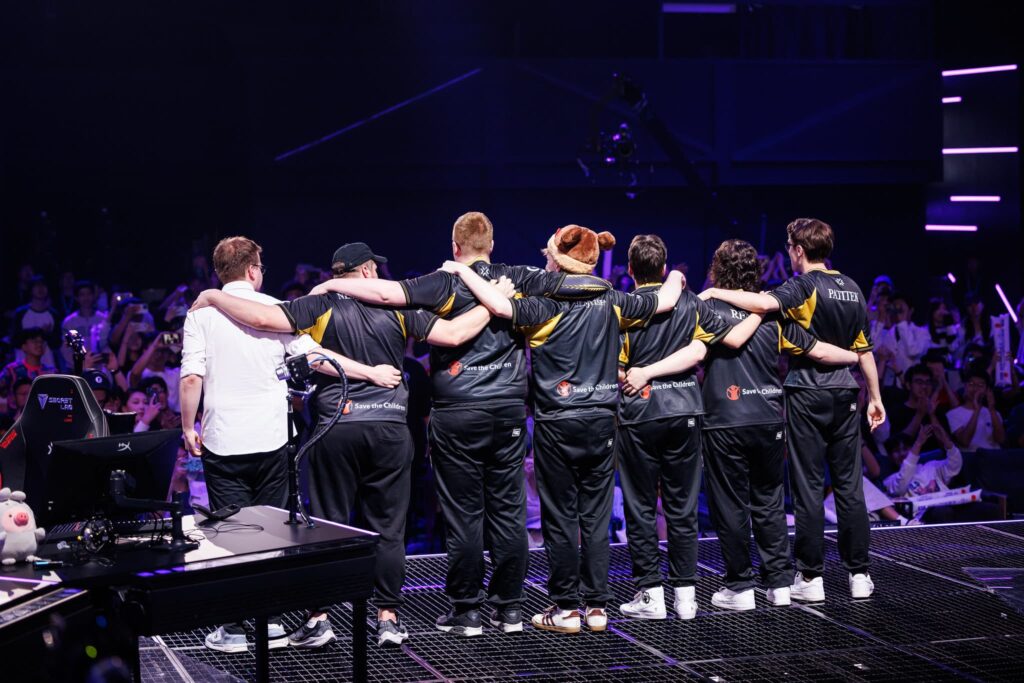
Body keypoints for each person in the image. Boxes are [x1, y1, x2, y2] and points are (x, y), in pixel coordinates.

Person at [306, 211, 610, 637]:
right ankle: (510, 611)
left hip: (456, 412)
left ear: (455, 247)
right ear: (491, 245)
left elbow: (389, 293)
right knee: (508, 513)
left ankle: (466, 612)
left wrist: (332, 283)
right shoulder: (515, 275)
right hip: (507, 411)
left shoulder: (444, 280)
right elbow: (572, 281)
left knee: (464, 514)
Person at [192, 241, 497, 648]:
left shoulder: (319, 305)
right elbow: (456, 333)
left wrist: (213, 294)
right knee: (388, 530)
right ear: (369, 272)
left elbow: (263, 319)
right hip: (390, 429)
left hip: (336, 428)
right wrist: (497, 302)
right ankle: (388, 617)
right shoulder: (398, 307)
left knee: (325, 529)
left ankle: (319, 618)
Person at [444, 225, 683, 635]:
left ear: (558, 259)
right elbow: (664, 300)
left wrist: (463, 273)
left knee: (559, 518)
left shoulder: (545, 304)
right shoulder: (612, 301)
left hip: (558, 422)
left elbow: (500, 309)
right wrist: (676, 276)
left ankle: (567, 608)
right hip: (604, 421)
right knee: (595, 517)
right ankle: (597, 607)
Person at [180, 236, 393, 655]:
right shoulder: (278, 311)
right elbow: (317, 358)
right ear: (253, 270)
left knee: (230, 534)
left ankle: (237, 626)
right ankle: (271, 621)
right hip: (274, 439)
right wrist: (370, 372)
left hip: (224, 439)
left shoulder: (200, 314)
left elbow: (191, 378)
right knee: (271, 531)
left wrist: (188, 427)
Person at [624, 239, 859, 612]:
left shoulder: (706, 306)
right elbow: (816, 350)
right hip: (769, 417)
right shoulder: (771, 313)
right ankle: (780, 584)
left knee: (731, 505)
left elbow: (690, 347)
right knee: (769, 502)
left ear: (717, 269)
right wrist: (858, 356)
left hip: (724, 420)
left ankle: (740, 587)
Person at [700, 218, 885, 602]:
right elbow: (863, 349)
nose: (788, 254)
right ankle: (859, 576)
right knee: (851, 487)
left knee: (808, 488)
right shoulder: (851, 285)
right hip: (847, 392)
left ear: (799, 250)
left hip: (806, 393)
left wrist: (713, 292)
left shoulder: (801, 286)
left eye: (789, 248)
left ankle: (811, 578)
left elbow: (769, 307)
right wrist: (875, 395)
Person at [611, 235, 764, 621]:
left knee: (642, 507)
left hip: (640, 414)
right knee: (682, 508)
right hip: (686, 412)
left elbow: (610, 365)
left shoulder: (624, 308)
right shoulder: (692, 303)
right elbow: (731, 337)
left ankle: (651, 596)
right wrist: (765, 308)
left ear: (630, 270)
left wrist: (633, 375)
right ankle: (685, 597)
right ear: (664, 269)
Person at [883, 424, 962, 498]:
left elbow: (954, 466)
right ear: (890, 457)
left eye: (905, 449)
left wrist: (946, 441)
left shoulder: (931, 467)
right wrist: (918, 444)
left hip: (947, 504)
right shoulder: (890, 481)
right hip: (924, 512)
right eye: (896, 451)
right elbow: (900, 487)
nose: (902, 454)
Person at [946, 369, 1005, 451]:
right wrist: (976, 411)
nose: (975, 388)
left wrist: (992, 409)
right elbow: (964, 442)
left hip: (994, 457)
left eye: (980, 385)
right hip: (972, 459)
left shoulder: (994, 413)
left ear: (987, 390)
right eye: (971, 384)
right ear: (965, 386)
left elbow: (1000, 440)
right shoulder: (953, 414)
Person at [1, 329, 57, 413]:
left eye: (42, 342)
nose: (39, 344)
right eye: (34, 341)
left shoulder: (52, 372)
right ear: (24, 347)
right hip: (14, 421)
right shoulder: (11, 370)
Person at [61, 280, 108, 369]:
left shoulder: (103, 319)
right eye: (82, 295)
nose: (86, 298)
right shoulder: (69, 322)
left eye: (89, 294)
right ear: (76, 298)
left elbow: (106, 345)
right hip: (76, 369)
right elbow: (65, 349)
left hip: (100, 368)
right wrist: (80, 365)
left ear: (94, 296)